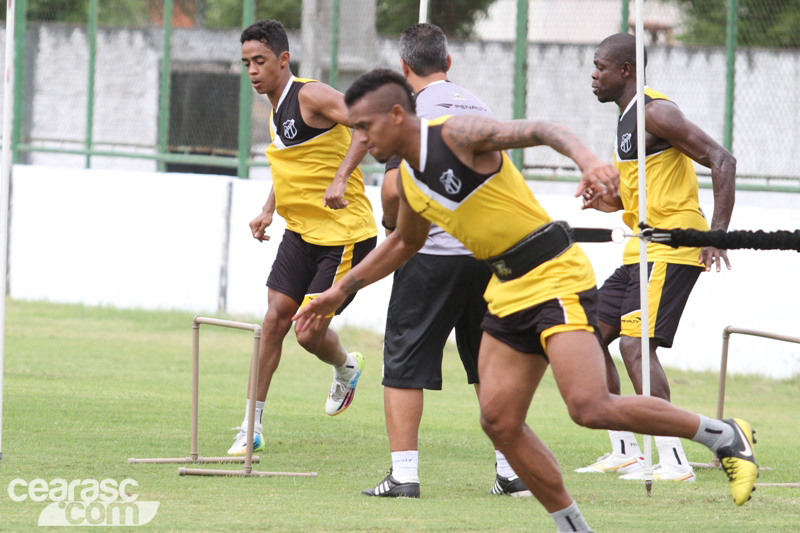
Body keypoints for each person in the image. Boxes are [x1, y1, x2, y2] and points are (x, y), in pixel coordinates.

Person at [295, 69, 757, 529]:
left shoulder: (454, 134)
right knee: (498, 421)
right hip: (506, 288)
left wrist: (588, 161)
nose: (357, 139)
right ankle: (573, 527)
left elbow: (544, 129)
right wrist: (337, 292)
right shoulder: (408, 183)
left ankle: (722, 435)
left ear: (397, 115)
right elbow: (402, 245)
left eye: (363, 127)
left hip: (554, 274)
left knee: (589, 407)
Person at [362, 23, 528, 499]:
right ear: (449, 63)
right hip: (486, 255)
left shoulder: (409, 111)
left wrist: (392, 222)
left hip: (430, 252)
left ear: (404, 68)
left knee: (404, 361)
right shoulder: (481, 106)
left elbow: (394, 187)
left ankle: (404, 476)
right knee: (487, 363)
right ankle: (509, 471)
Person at [576, 32, 737, 482]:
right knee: (588, 336)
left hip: (671, 247)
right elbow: (639, 194)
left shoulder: (655, 111)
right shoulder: (626, 120)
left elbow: (723, 160)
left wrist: (716, 234)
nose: (594, 74)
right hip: (638, 248)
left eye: (600, 66)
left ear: (625, 70)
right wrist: (605, 202)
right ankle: (625, 450)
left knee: (635, 345)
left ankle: (675, 461)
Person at [227, 20, 378, 455]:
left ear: (283, 59)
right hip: (301, 231)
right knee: (274, 318)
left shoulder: (309, 95)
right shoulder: (274, 108)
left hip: (345, 234)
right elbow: (293, 163)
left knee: (307, 332)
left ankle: (347, 368)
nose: (252, 70)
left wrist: (342, 176)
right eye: (246, 64)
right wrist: (269, 207)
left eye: (259, 61)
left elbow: (365, 123)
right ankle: (250, 427)